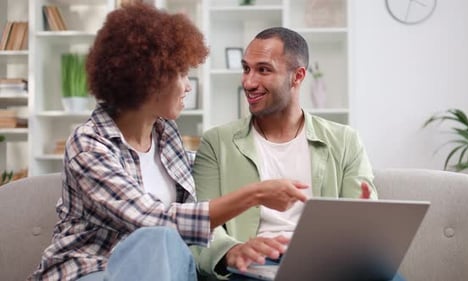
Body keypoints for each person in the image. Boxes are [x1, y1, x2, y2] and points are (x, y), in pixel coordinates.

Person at [28, 6, 308, 281]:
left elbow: (208, 186)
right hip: (90, 271)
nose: (188, 86)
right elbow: (154, 220)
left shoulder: (167, 136)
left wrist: (234, 248)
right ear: (148, 78)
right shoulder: (89, 144)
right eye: (182, 74)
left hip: (164, 272)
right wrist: (256, 194)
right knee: (160, 237)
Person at [190, 27, 403, 281]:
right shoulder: (217, 143)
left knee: (386, 276)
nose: (248, 82)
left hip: (326, 265)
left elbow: (364, 223)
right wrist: (233, 250)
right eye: (246, 68)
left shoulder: (344, 141)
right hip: (254, 267)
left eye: (263, 70)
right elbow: (200, 223)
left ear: (297, 76)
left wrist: (365, 220)